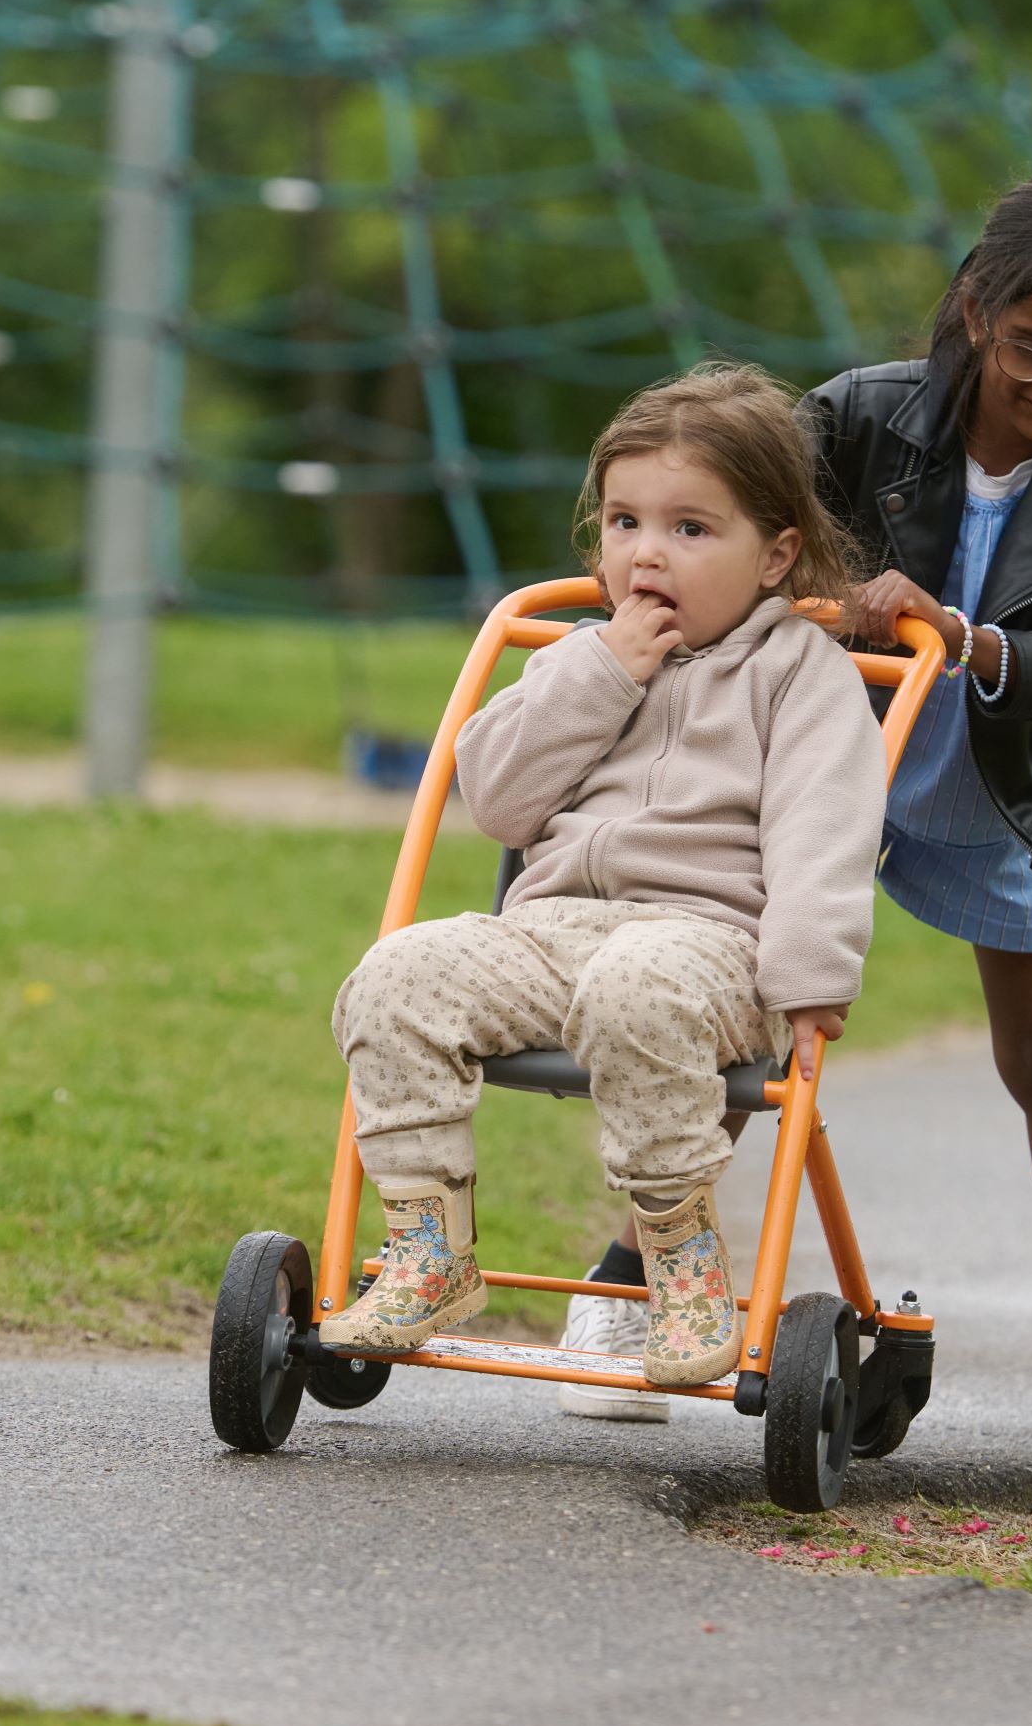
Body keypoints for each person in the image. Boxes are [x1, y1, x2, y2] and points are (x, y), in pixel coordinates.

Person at [558, 166, 1032, 1436]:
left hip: (990, 777)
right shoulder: (855, 417)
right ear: (977, 307)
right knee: (740, 1017)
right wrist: (822, 598)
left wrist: (968, 638)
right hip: (815, 760)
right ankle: (628, 1285)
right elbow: (740, 544)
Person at [320, 363, 887, 1387]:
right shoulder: (584, 658)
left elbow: (825, 830)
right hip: (553, 932)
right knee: (394, 975)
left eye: (690, 530)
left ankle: (679, 1264)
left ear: (775, 557)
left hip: (710, 949)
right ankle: (427, 1249)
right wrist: (599, 673)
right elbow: (495, 799)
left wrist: (811, 978)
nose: (646, 553)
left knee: (640, 988)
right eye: (623, 522)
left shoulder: (801, 675)